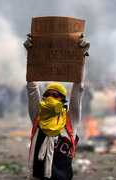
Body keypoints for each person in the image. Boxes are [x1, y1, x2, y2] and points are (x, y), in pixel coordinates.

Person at [24, 34, 90, 180]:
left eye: (56, 95)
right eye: (48, 94)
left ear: (63, 100)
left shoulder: (70, 120)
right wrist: (31, 55)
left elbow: (78, 88)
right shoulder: (38, 115)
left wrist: (81, 57)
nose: (51, 98)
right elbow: (31, 87)